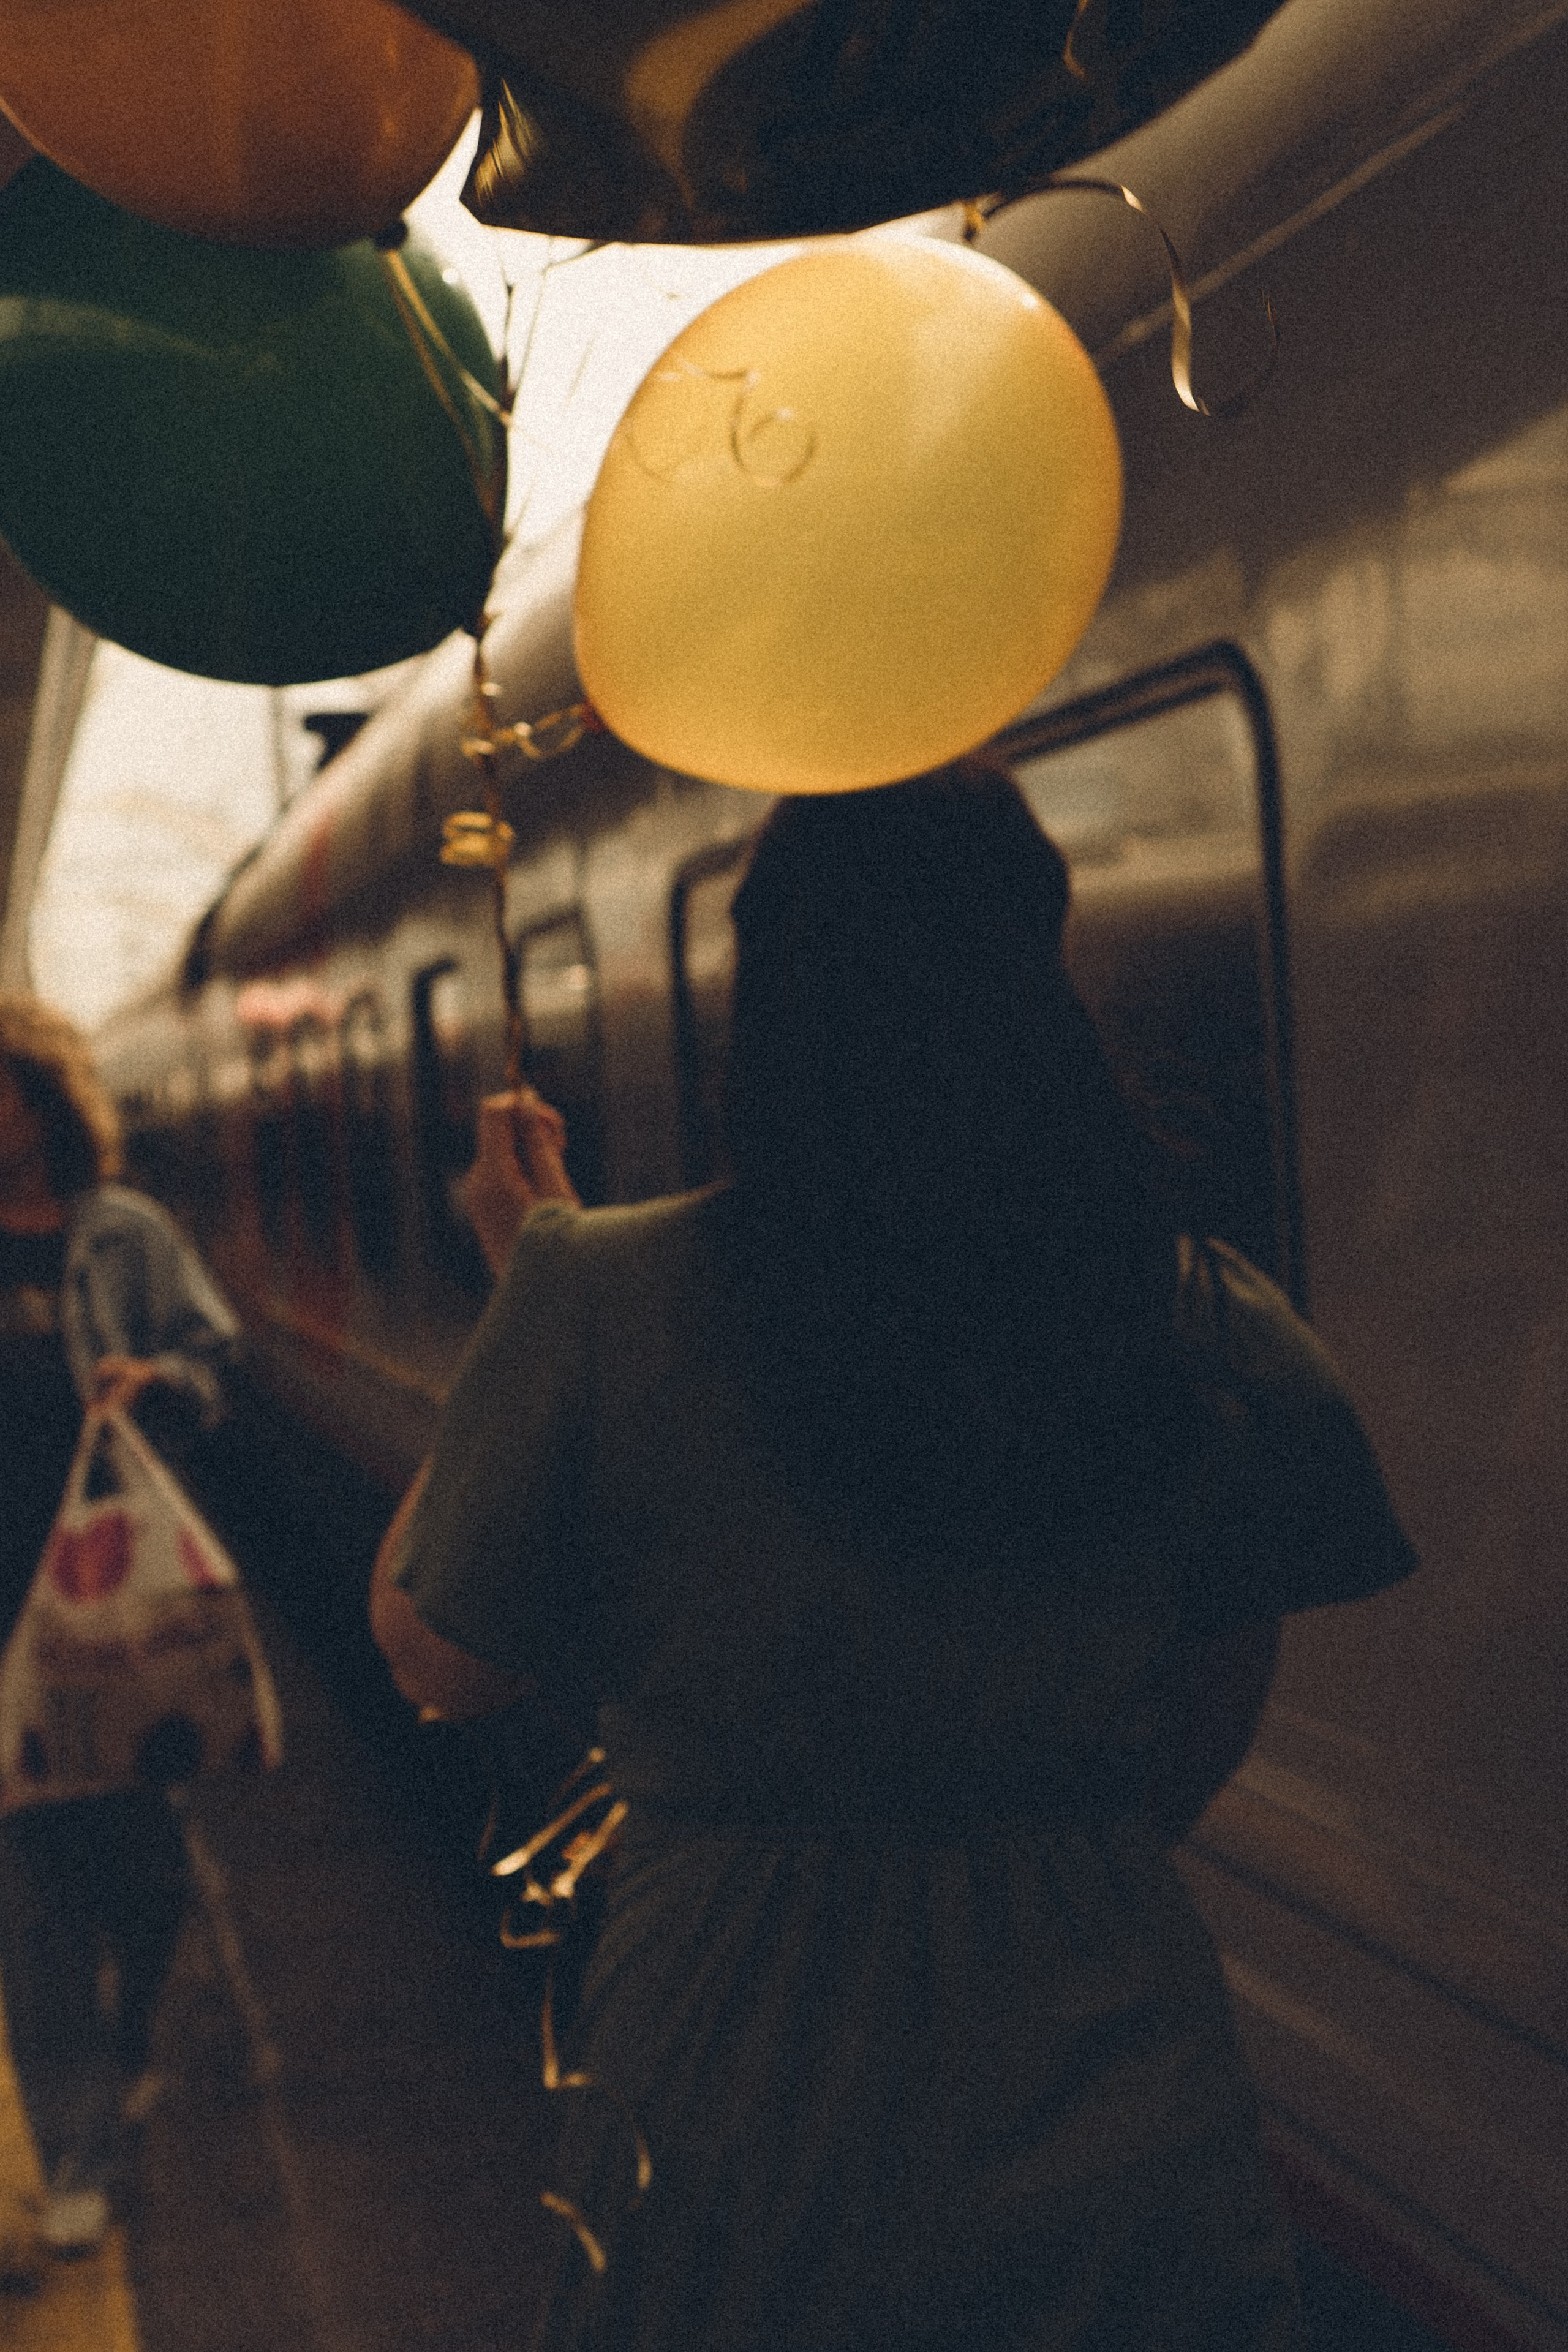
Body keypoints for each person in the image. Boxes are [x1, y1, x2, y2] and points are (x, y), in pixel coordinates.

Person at [371, 766, 1417, 2351]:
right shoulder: (1204, 1319)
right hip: (1109, 2055)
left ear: (766, 999)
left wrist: (527, 1292)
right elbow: (1207, 1713)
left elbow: (439, 1655)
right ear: (1041, 971)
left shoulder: (598, 1293)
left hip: (732, 2077)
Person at [0, 993, 239, 2258]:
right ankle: (79, 2144)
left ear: (45, 1104)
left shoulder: (123, 1235)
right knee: (29, 1887)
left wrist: (165, 1384)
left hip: (118, 1593)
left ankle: (130, 2048)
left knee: (150, 1876)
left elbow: (217, 1356)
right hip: (3, 1612)